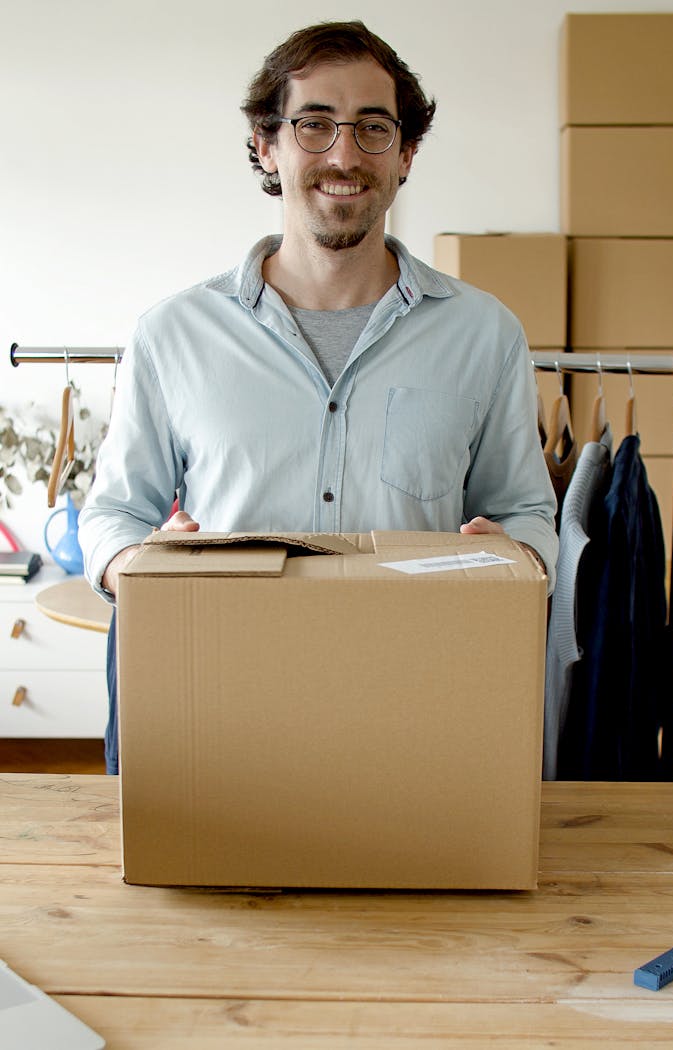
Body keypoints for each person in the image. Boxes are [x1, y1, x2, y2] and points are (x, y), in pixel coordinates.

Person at [79, 20, 558, 773]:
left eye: (373, 127)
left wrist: (517, 555)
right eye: (314, 125)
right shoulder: (173, 334)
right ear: (267, 145)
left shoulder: (485, 334)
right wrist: (142, 565)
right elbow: (111, 516)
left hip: (418, 711)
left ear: (406, 154)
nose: (344, 154)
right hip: (224, 706)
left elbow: (529, 510)